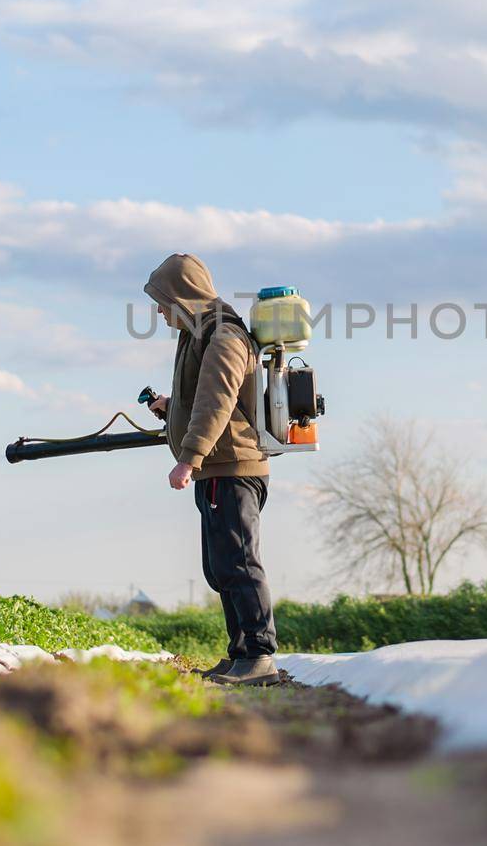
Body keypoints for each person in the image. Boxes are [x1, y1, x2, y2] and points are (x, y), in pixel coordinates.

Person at [142, 253, 279, 686]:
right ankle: (241, 653)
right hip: (216, 468)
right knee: (220, 565)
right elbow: (198, 398)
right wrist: (171, 409)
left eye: (163, 302)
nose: (160, 311)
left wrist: (189, 457)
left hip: (230, 467)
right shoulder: (199, 333)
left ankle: (259, 655)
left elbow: (217, 401)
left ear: (183, 297)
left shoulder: (224, 335)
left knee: (238, 562)